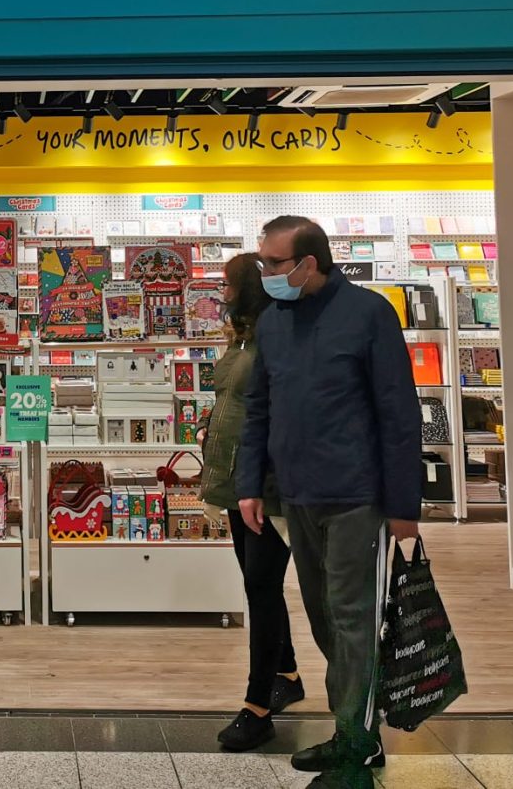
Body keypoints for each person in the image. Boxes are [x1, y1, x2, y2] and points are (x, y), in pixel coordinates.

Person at [235, 216, 422, 789]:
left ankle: (359, 746)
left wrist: (403, 505)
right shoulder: (274, 323)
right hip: (297, 497)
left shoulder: (368, 314)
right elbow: (258, 408)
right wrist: (248, 483)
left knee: (352, 619)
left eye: (272, 262)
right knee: (322, 617)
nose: (263, 272)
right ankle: (350, 731)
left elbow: (398, 413)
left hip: (356, 497)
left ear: (308, 263)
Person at [199, 251, 304, 752]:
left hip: (263, 486)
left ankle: (257, 706)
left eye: (227, 283)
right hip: (237, 483)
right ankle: (286, 671)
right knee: (255, 581)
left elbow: (275, 412)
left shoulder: (275, 337)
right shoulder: (243, 335)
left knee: (261, 587)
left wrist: (259, 481)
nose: (221, 292)